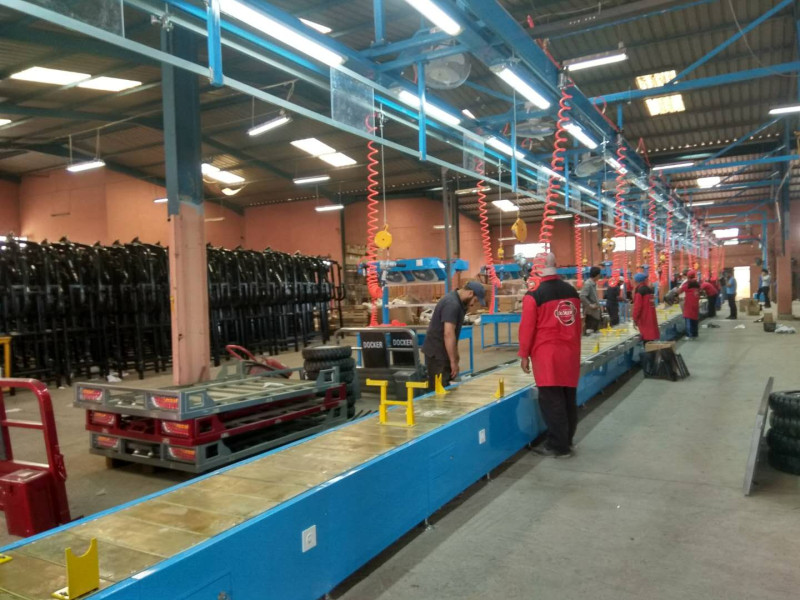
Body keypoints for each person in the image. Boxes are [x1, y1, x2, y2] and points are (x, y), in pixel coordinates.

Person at [518, 253, 582, 458]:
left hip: (547, 355)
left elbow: (527, 328)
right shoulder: (571, 290)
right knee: (567, 398)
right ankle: (567, 440)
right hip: (570, 352)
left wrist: (524, 354)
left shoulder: (534, 294)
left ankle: (558, 446)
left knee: (552, 401)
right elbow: (578, 323)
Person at [422, 281, 485, 389]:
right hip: (437, 354)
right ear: (470, 293)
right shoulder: (452, 304)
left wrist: (455, 356)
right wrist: (453, 361)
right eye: (475, 300)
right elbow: (448, 333)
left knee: (445, 388)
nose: (473, 304)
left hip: (441, 352)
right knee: (439, 391)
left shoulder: (457, 301)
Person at [632, 272, 660, 342]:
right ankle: (651, 351)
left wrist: (635, 319)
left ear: (636, 281)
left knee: (646, 337)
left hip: (644, 318)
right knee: (650, 337)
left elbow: (637, 307)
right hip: (651, 316)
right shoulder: (648, 289)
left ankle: (649, 352)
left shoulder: (640, 290)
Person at [580, 266, 602, 334]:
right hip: (591, 315)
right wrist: (590, 305)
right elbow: (582, 296)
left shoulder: (593, 284)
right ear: (597, 275)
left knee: (595, 334)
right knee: (591, 335)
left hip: (595, 314)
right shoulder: (588, 284)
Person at [680, 270, 701, 339]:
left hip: (689, 305)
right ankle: (695, 334)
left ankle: (689, 335)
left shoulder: (687, 285)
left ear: (688, 277)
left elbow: (679, 291)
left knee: (688, 319)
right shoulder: (697, 285)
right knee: (694, 319)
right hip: (696, 305)